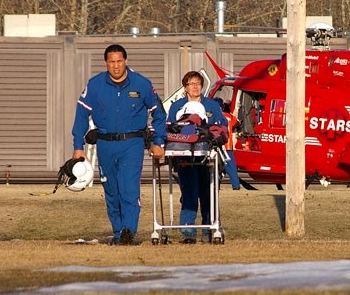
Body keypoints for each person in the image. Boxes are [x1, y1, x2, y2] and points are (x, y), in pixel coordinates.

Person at [71, 44, 166, 246]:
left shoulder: (141, 84)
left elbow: (159, 113)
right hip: (105, 144)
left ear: (126, 61)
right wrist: (78, 146)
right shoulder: (95, 85)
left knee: (129, 190)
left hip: (132, 144)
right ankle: (118, 232)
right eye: (112, 62)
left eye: (119, 61)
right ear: (106, 63)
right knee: (112, 191)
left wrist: (158, 142)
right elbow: (81, 115)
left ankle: (128, 232)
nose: (116, 66)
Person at [166, 71, 226, 244]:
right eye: (191, 84)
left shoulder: (212, 105)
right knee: (189, 193)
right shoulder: (176, 106)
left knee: (208, 193)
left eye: (198, 83)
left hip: (208, 157)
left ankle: (209, 230)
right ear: (185, 88)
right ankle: (188, 233)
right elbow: (170, 127)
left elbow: (221, 125)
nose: (195, 87)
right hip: (184, 157)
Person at [214, 98, 241, 190]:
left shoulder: (212, 116)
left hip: (215, 146)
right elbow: (237, 123)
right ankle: (236, 186)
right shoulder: (228, 116)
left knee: (215, 167)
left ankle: (216, 185)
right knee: (232, 168)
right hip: (227, 145)